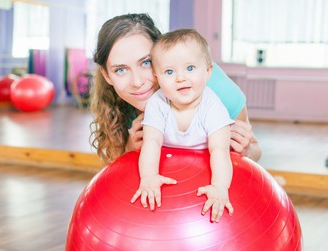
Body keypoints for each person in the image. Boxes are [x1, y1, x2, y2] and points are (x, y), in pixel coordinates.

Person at [89, 13, 261, 164]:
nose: (137, 81)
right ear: (106, 75)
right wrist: (130, 148)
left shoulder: (215, 88)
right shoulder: (118, 102)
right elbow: (115, 170)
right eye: (120, 70)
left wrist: (245, 150)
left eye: (146, 63)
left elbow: (255, 151)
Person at [130, 29, 234, 222]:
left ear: (208, 71)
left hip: (204, 167)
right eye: (169, 71)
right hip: (170, 165)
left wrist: (220, 187)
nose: (180, 78)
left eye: (190, 68)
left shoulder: (213, 107)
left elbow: (220, 149)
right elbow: (151, 141)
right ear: (157, 76)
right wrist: (149, 177)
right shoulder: (157, 103)